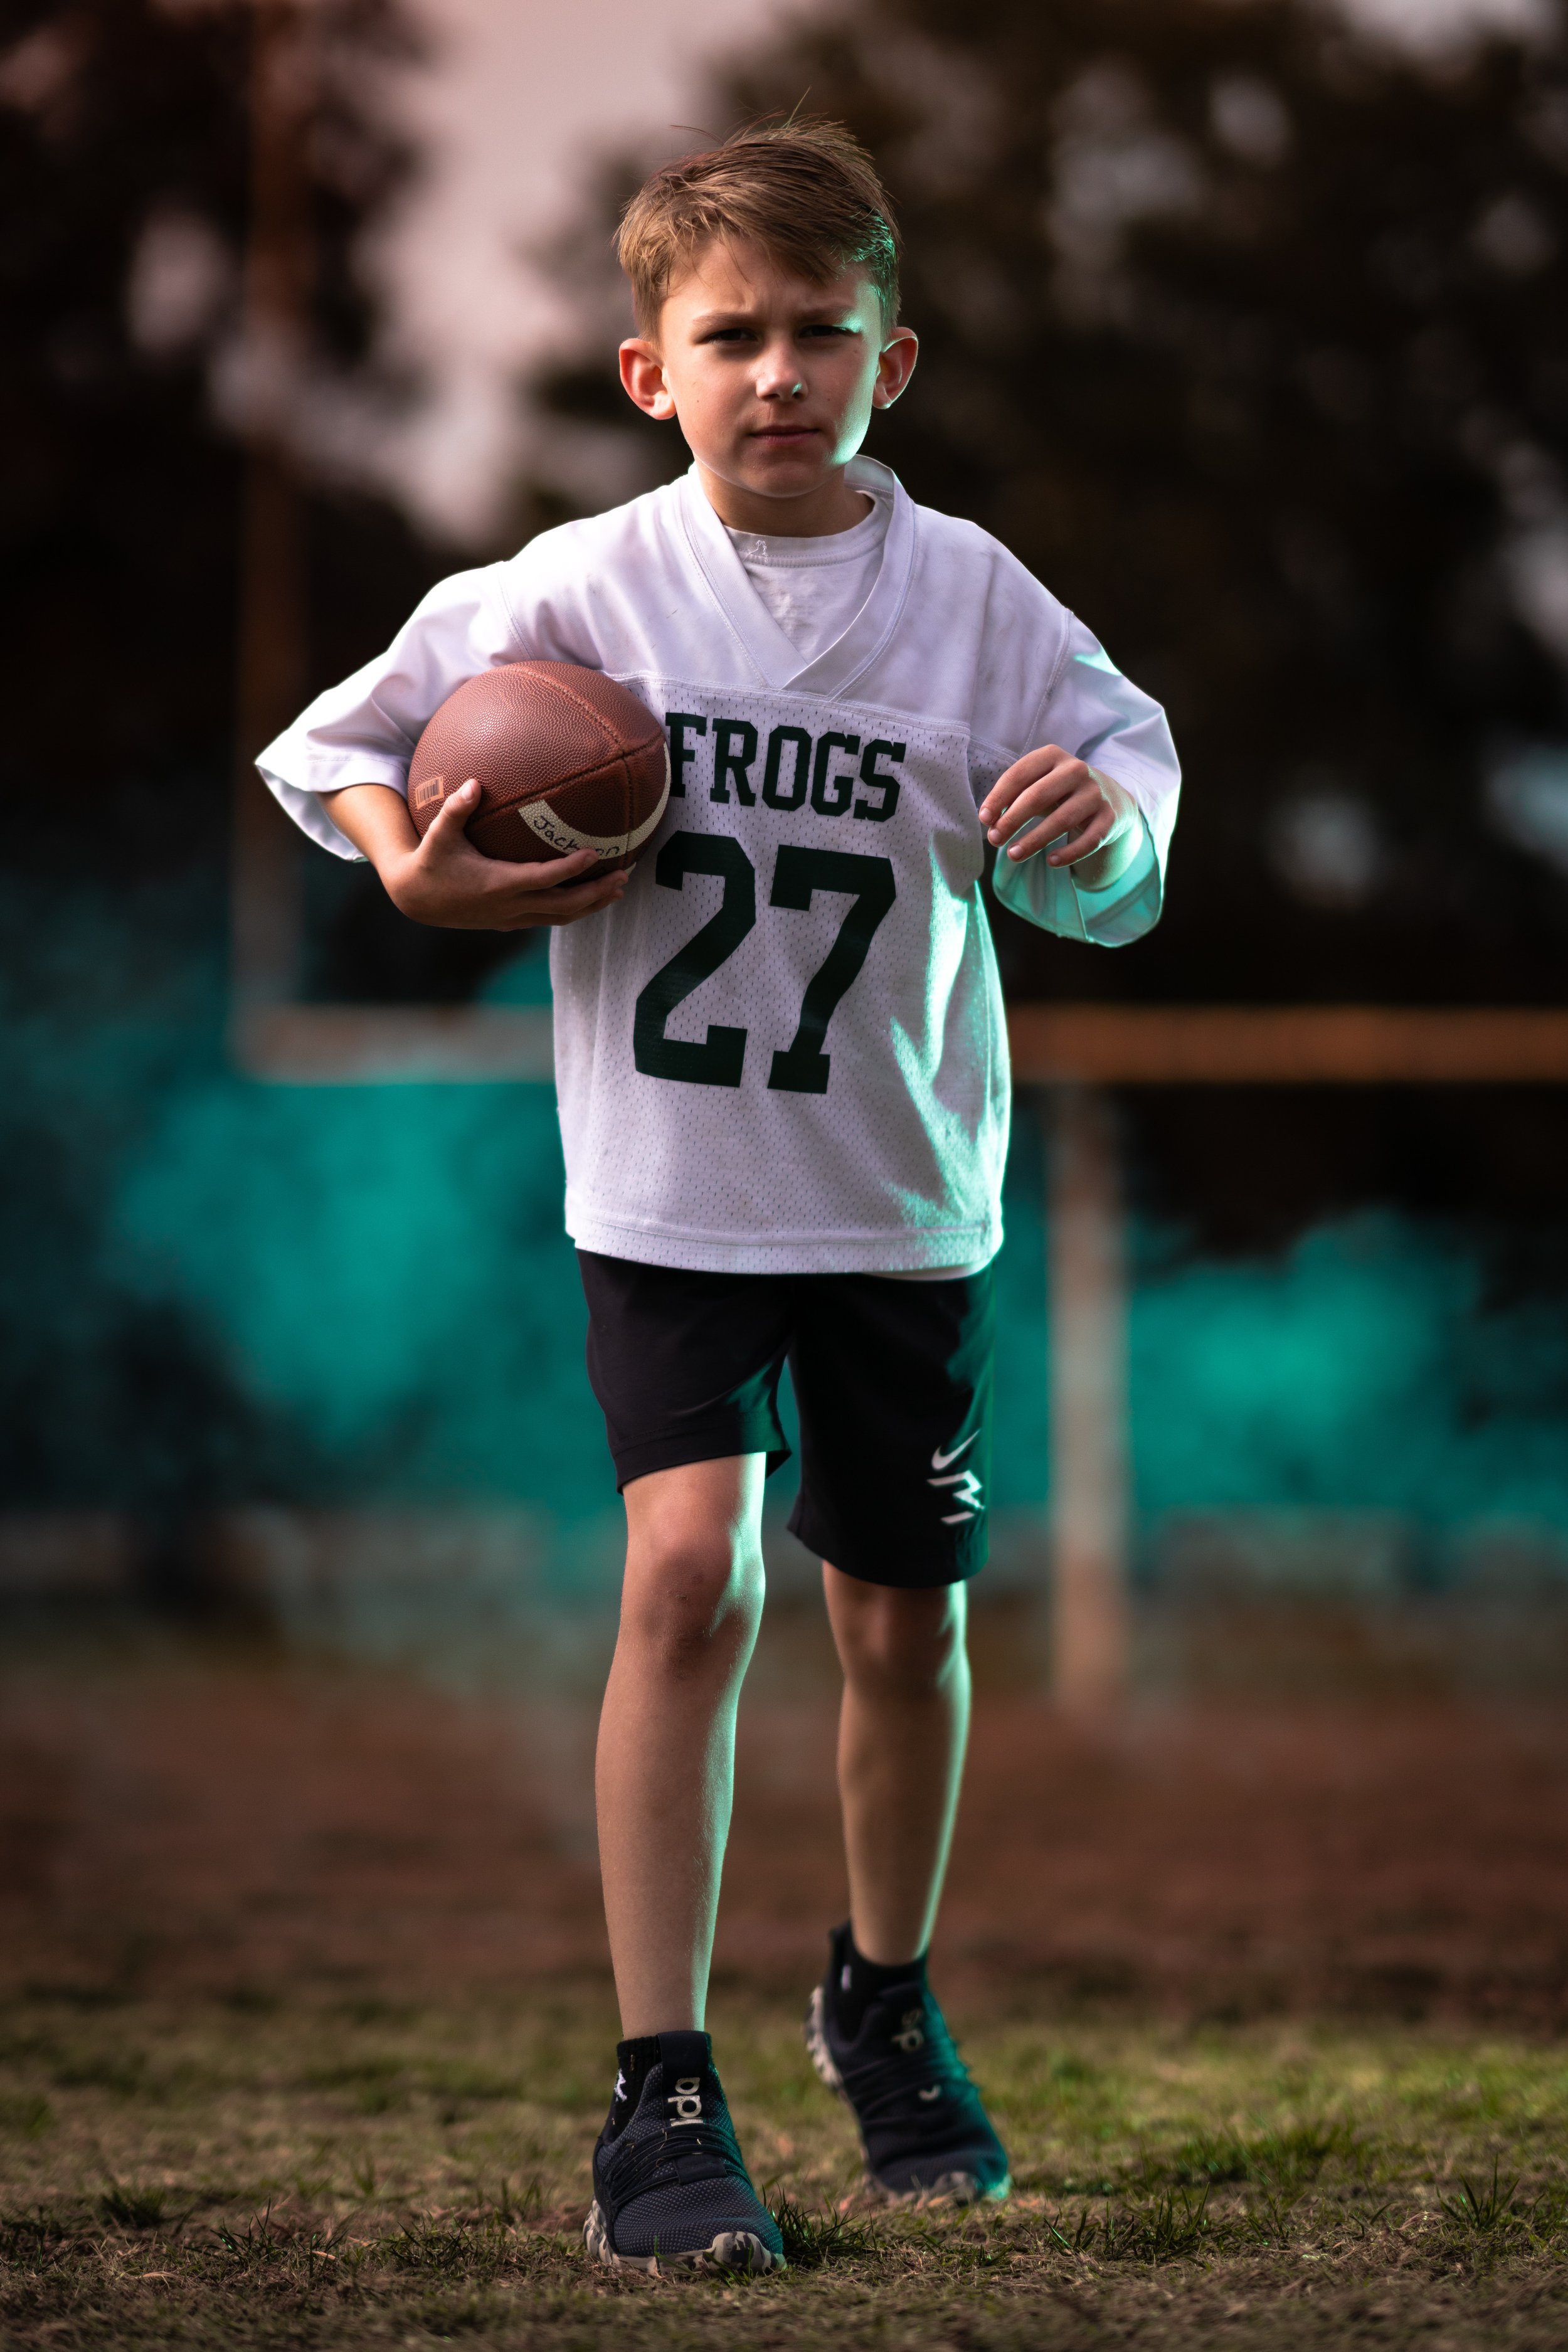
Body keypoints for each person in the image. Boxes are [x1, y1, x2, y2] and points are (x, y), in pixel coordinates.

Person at [258, 119, 1179, 2275]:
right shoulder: (575, 591)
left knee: (898, 1619)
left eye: (818, 332)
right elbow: (328, 749)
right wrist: (410, 850)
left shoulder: (975, 606)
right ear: (646, 370)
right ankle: (657, 2088)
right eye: (728, 334)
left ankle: (877, 1993)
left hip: (894, 1198)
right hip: (671, 1190)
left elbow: (1129, 817)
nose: (777, 368)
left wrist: (1097, 829)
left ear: (895, 358)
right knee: (692, 1581)